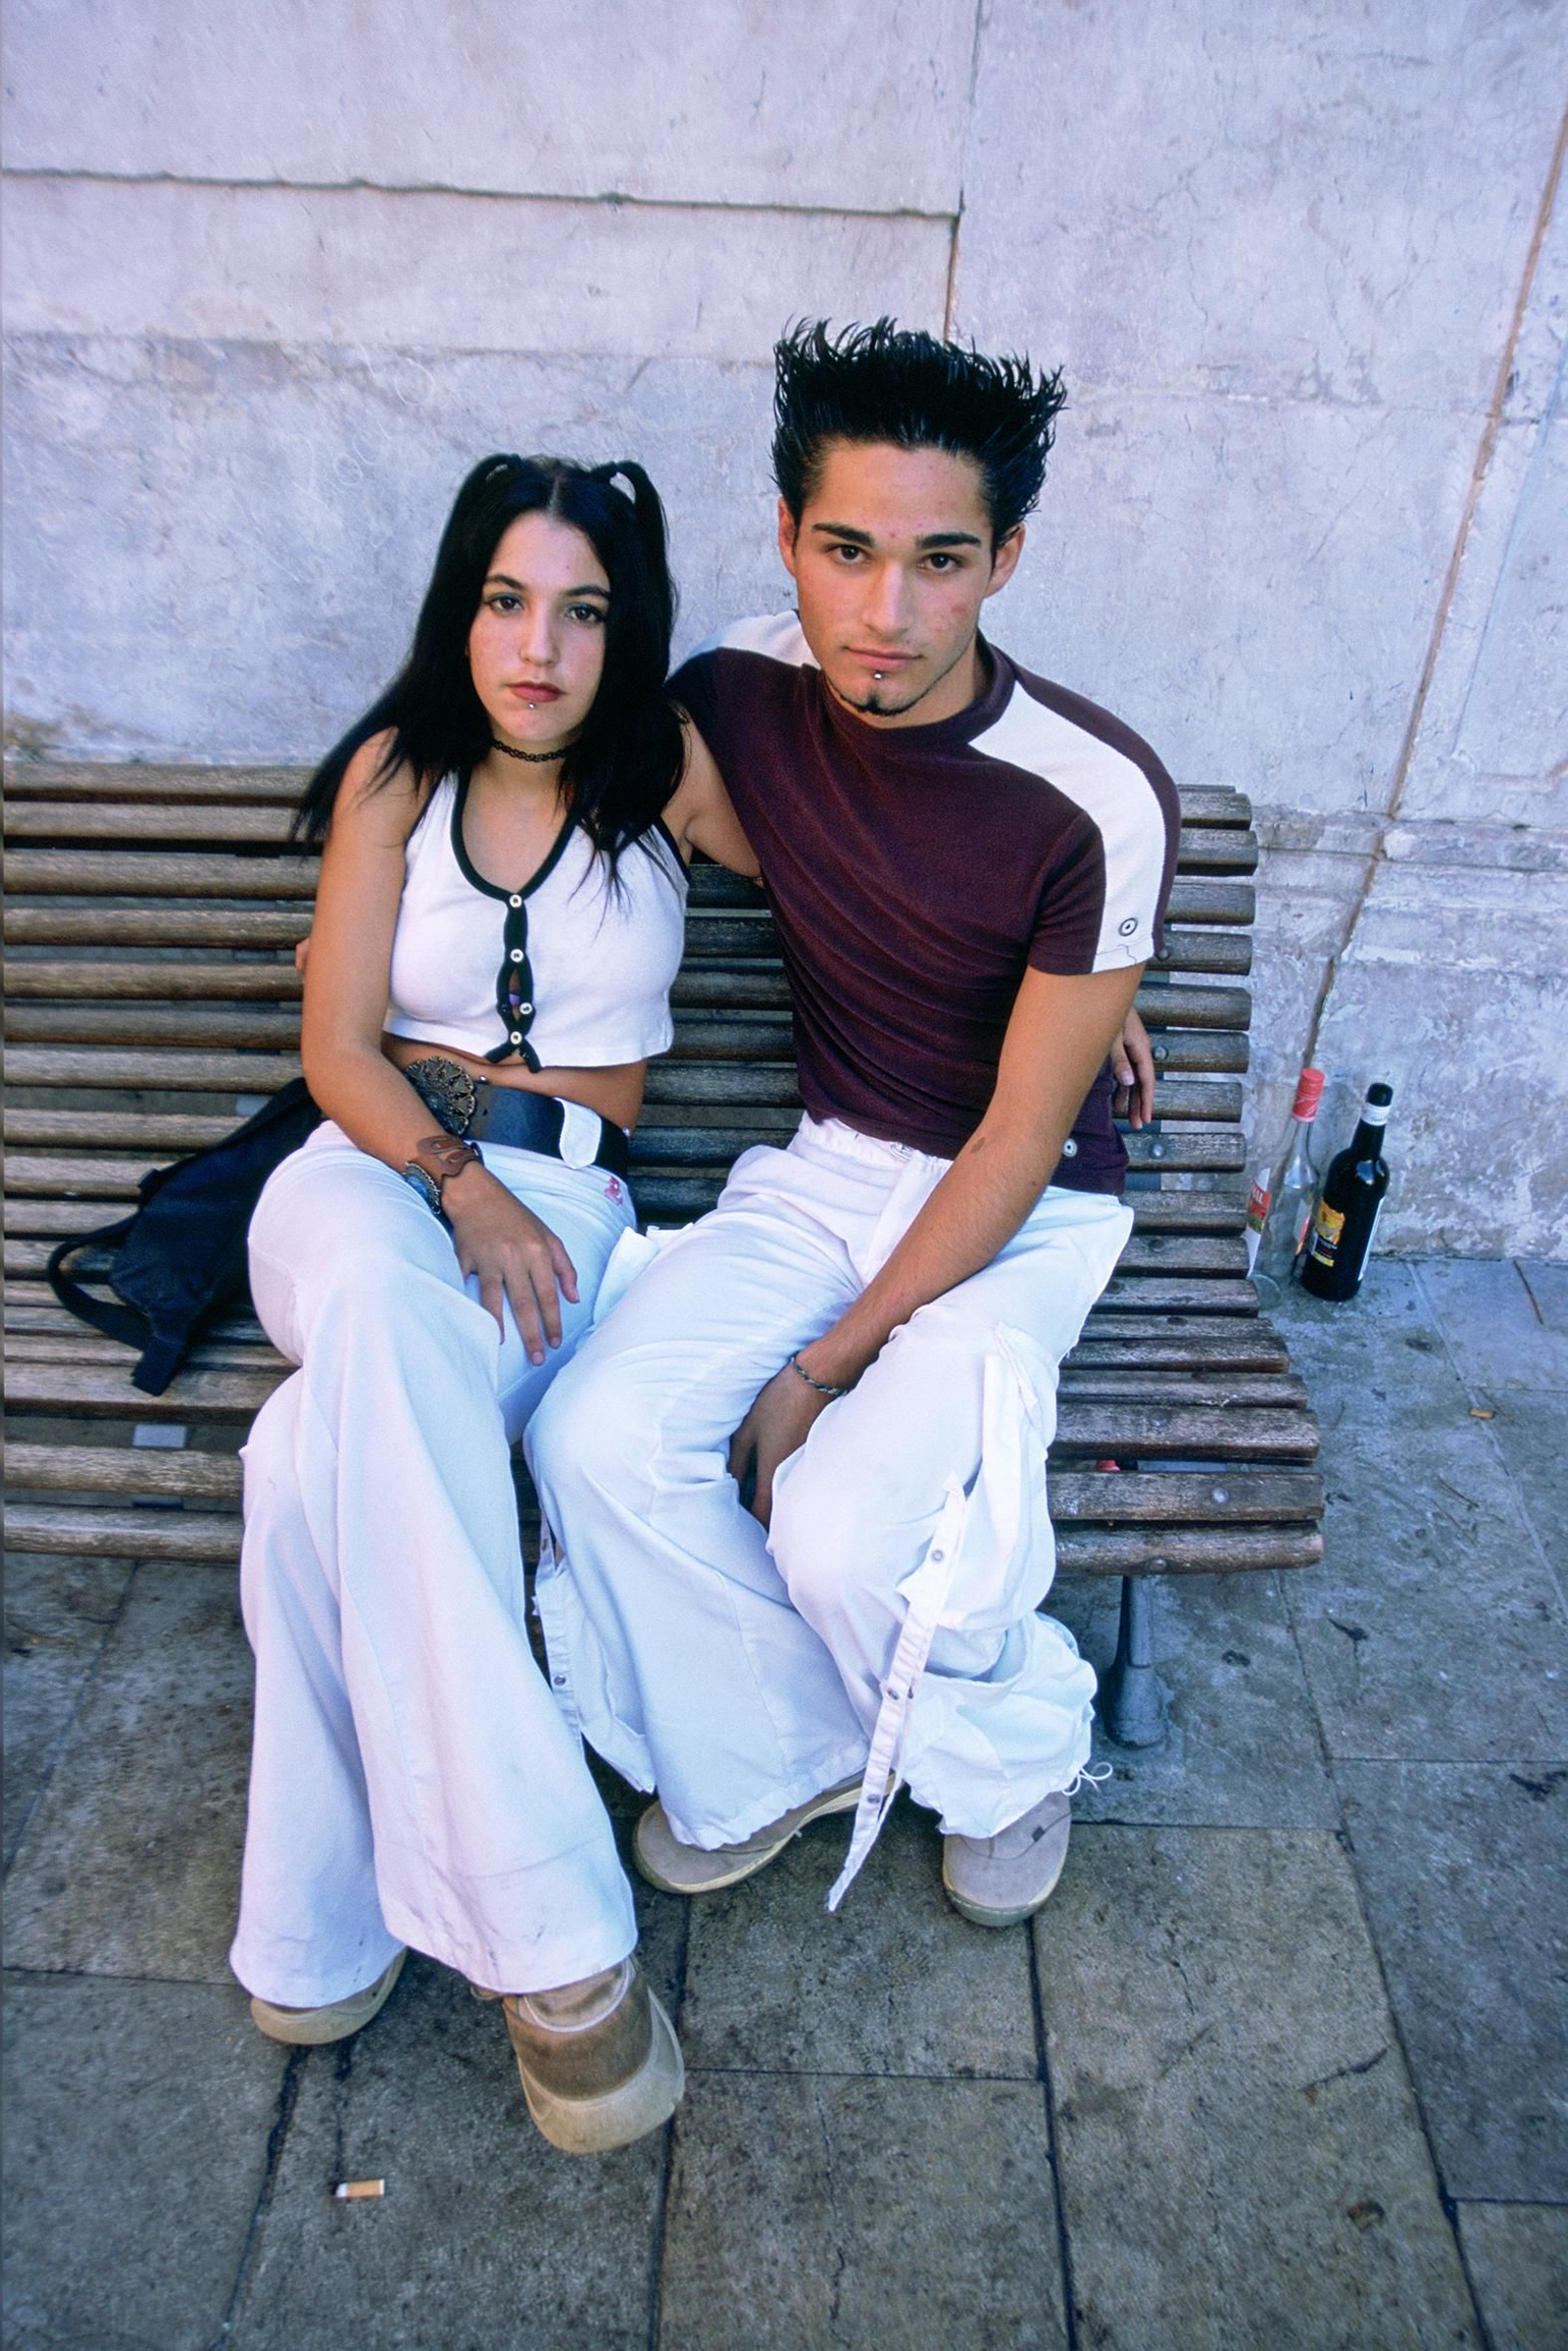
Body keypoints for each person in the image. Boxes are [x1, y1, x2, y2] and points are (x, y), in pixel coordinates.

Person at [526, 320, 1181, 1930]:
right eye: (848, 551)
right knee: (588, 1440)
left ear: (1006, 557)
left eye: (941, 560)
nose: (886, 613)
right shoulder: (736, 691)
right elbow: (678, 814)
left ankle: (1018, 1745)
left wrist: (822, 1370)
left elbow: (1020, 1149)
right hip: (827, 1172)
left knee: (836, 1532)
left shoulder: (1096, 793)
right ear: (787, 539)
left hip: (1021, 1215)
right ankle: (787, 1749)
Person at [229, 452, 754, 2154]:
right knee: (381, 1324)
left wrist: (1060, 989)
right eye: (507, 601)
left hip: (563, 1213)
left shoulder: (666, 774)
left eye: (583, 610)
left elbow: (872, 892)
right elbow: (334, 1050)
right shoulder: (397, 770)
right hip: (367, 1183)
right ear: (464, 610)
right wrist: (450, 1190)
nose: (539, 646)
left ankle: (315, 1920)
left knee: (302, 1464)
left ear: (627, 630)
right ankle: (559, 1953)